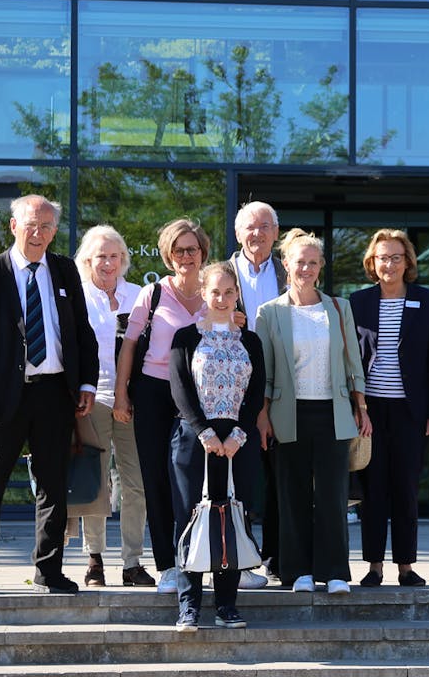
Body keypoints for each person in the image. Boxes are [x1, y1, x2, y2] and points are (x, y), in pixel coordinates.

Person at [0, 194, 99, 597]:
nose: (39, 234)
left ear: (55, 231)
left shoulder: (65, 270)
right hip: (3, 399)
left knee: (53, 486)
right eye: (31, 225)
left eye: (47, 226)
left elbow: (81, 333)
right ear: (14, 226)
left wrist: (86, 383)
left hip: (55, 393)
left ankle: (48, 568)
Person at [255, 229, 372, 594]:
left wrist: (362, 407)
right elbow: (264, 370)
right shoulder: (269, 312)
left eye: (312, 262)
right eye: (298, 262)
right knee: (292, 495)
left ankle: (335, 570)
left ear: (320, 266)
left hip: (334, 412)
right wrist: (262, 416)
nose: (305, 268)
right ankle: (298, 572)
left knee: (334, 496)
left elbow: (353, 361)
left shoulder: (339, 307)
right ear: (286, 265)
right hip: (287, 413)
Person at [115, 218, 212, 594]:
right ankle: (168, 566)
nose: (186, 256)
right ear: (168, 256)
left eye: (192, 249)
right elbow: (129, 345)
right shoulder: (152, 293)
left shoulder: (216, 290)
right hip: (155, 392)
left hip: (203, 394)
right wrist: (123, 394)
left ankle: (206, 558)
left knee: (199, 481)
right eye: (178, 250)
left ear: (203, 251)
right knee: (156, 478)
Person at [169, 261, 266, 631]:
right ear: (203, 294)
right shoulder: (185, 337)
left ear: (237, 294)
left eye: (229, 292)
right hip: (195, 440)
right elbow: (180, 388)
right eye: (215, 292)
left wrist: (238, 435)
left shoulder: (251, 340)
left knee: (232, 517)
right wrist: (204, 432)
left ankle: (226, 604)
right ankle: (189, 606)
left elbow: (257, 392)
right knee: (190, 519)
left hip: (237, 442)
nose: (222, 299)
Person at [349, 229, 429, 588]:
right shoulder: (357, 302)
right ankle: (374, 566)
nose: (388, 264)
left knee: (405, 489)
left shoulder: (427, 300)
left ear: (408, 262)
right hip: (369, 412)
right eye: (381, 258)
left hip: (411, 411)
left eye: (395, 257)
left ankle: (406, 566)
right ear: (371, 264)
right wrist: (355, 407)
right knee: (372, 490)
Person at [71, 225, 154, 588]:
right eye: (100, 256)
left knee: (135, 484)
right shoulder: (76, 297)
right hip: (91, 399)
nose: (107, 262)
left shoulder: (140, 296)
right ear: (87, 260)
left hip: (134, 403)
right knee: (96, 482)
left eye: (114, 255)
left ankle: (133, 561)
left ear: (123, 260)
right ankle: (95, 559)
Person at [229, 199, 286, 588]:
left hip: (283, 387)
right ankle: (243, 557)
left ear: (276, 233)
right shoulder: (221, 273)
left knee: (280, 476)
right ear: (238, 234)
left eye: (265, 226)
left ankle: (278, 558)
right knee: (242, 479)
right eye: (250, 226)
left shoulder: (291, 270)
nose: (257, 233)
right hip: (234, 389)